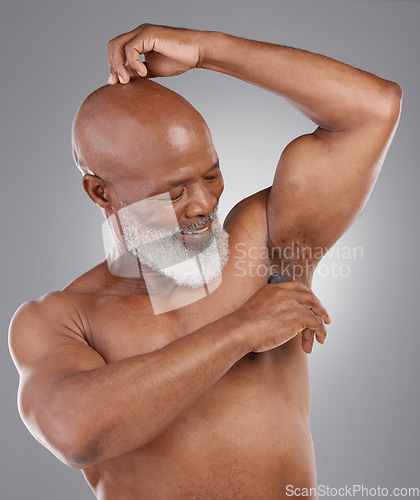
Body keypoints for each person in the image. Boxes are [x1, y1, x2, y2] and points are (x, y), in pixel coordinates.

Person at [8, 24, 401, 499]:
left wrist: (206, 51)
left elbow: (372, 109)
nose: (202, 204)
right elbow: (74, 433)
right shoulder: (63, 318)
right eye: (173, 192)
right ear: (100, 193)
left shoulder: (264, 245)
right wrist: (241, 329)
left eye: (211, 175)